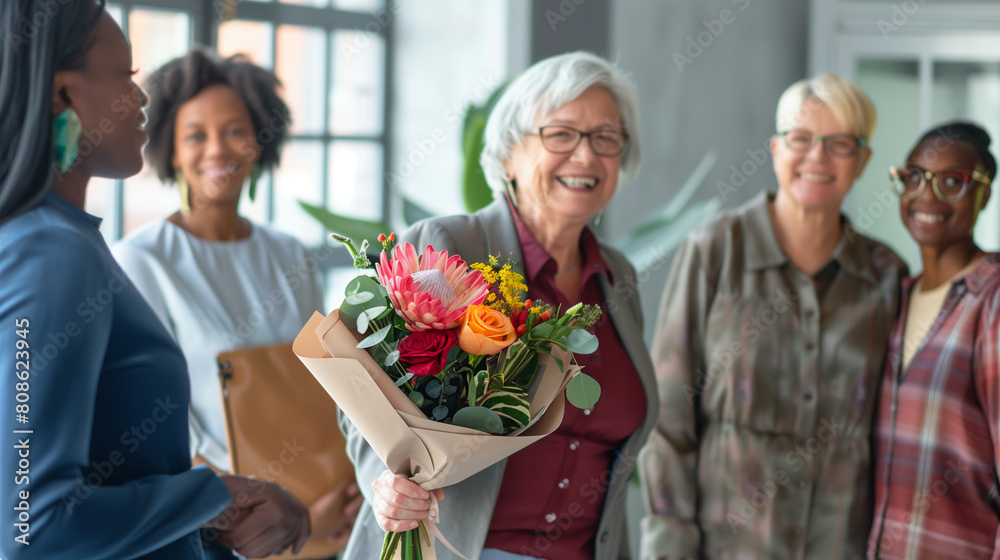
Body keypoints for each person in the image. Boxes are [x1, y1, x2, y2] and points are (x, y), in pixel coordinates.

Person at [0, 2, 310, 559]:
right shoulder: (51, 254)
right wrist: (213, 493)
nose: (141, 99)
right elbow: (29, 528)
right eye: (124, 76)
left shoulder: (66, 240)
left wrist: (218, 511)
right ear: (61, 94)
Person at [338, 52, 657, 560]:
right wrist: (387, 483)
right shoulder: (447, 244)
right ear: (508, 153)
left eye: (606, 137)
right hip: (452, 548)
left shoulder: (618, 277)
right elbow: (358, 391)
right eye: (561, 133)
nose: (586, 155)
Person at [639, 74, 907, 559]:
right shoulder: (716, 249)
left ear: (863, 159)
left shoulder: (887, 276)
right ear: (775, 149)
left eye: (839, 143)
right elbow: (669, 420)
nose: (817, 158)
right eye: (800, 139)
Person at [110, 47, 362, 557]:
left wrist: (347, 485)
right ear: (170, 149)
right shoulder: (141, 261)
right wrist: (282, 514)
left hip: (333, 515)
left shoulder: (290, 254)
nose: (217, 150)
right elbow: (164, 429)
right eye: (195, 135)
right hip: (227, 529)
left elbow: (322, 387)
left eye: (234, 130)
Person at [867, 122, 998, 559]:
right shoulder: (896, 297)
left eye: (952, 182)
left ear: (985, 195)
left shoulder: (991, 300)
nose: (928, 196)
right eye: (914, 178)